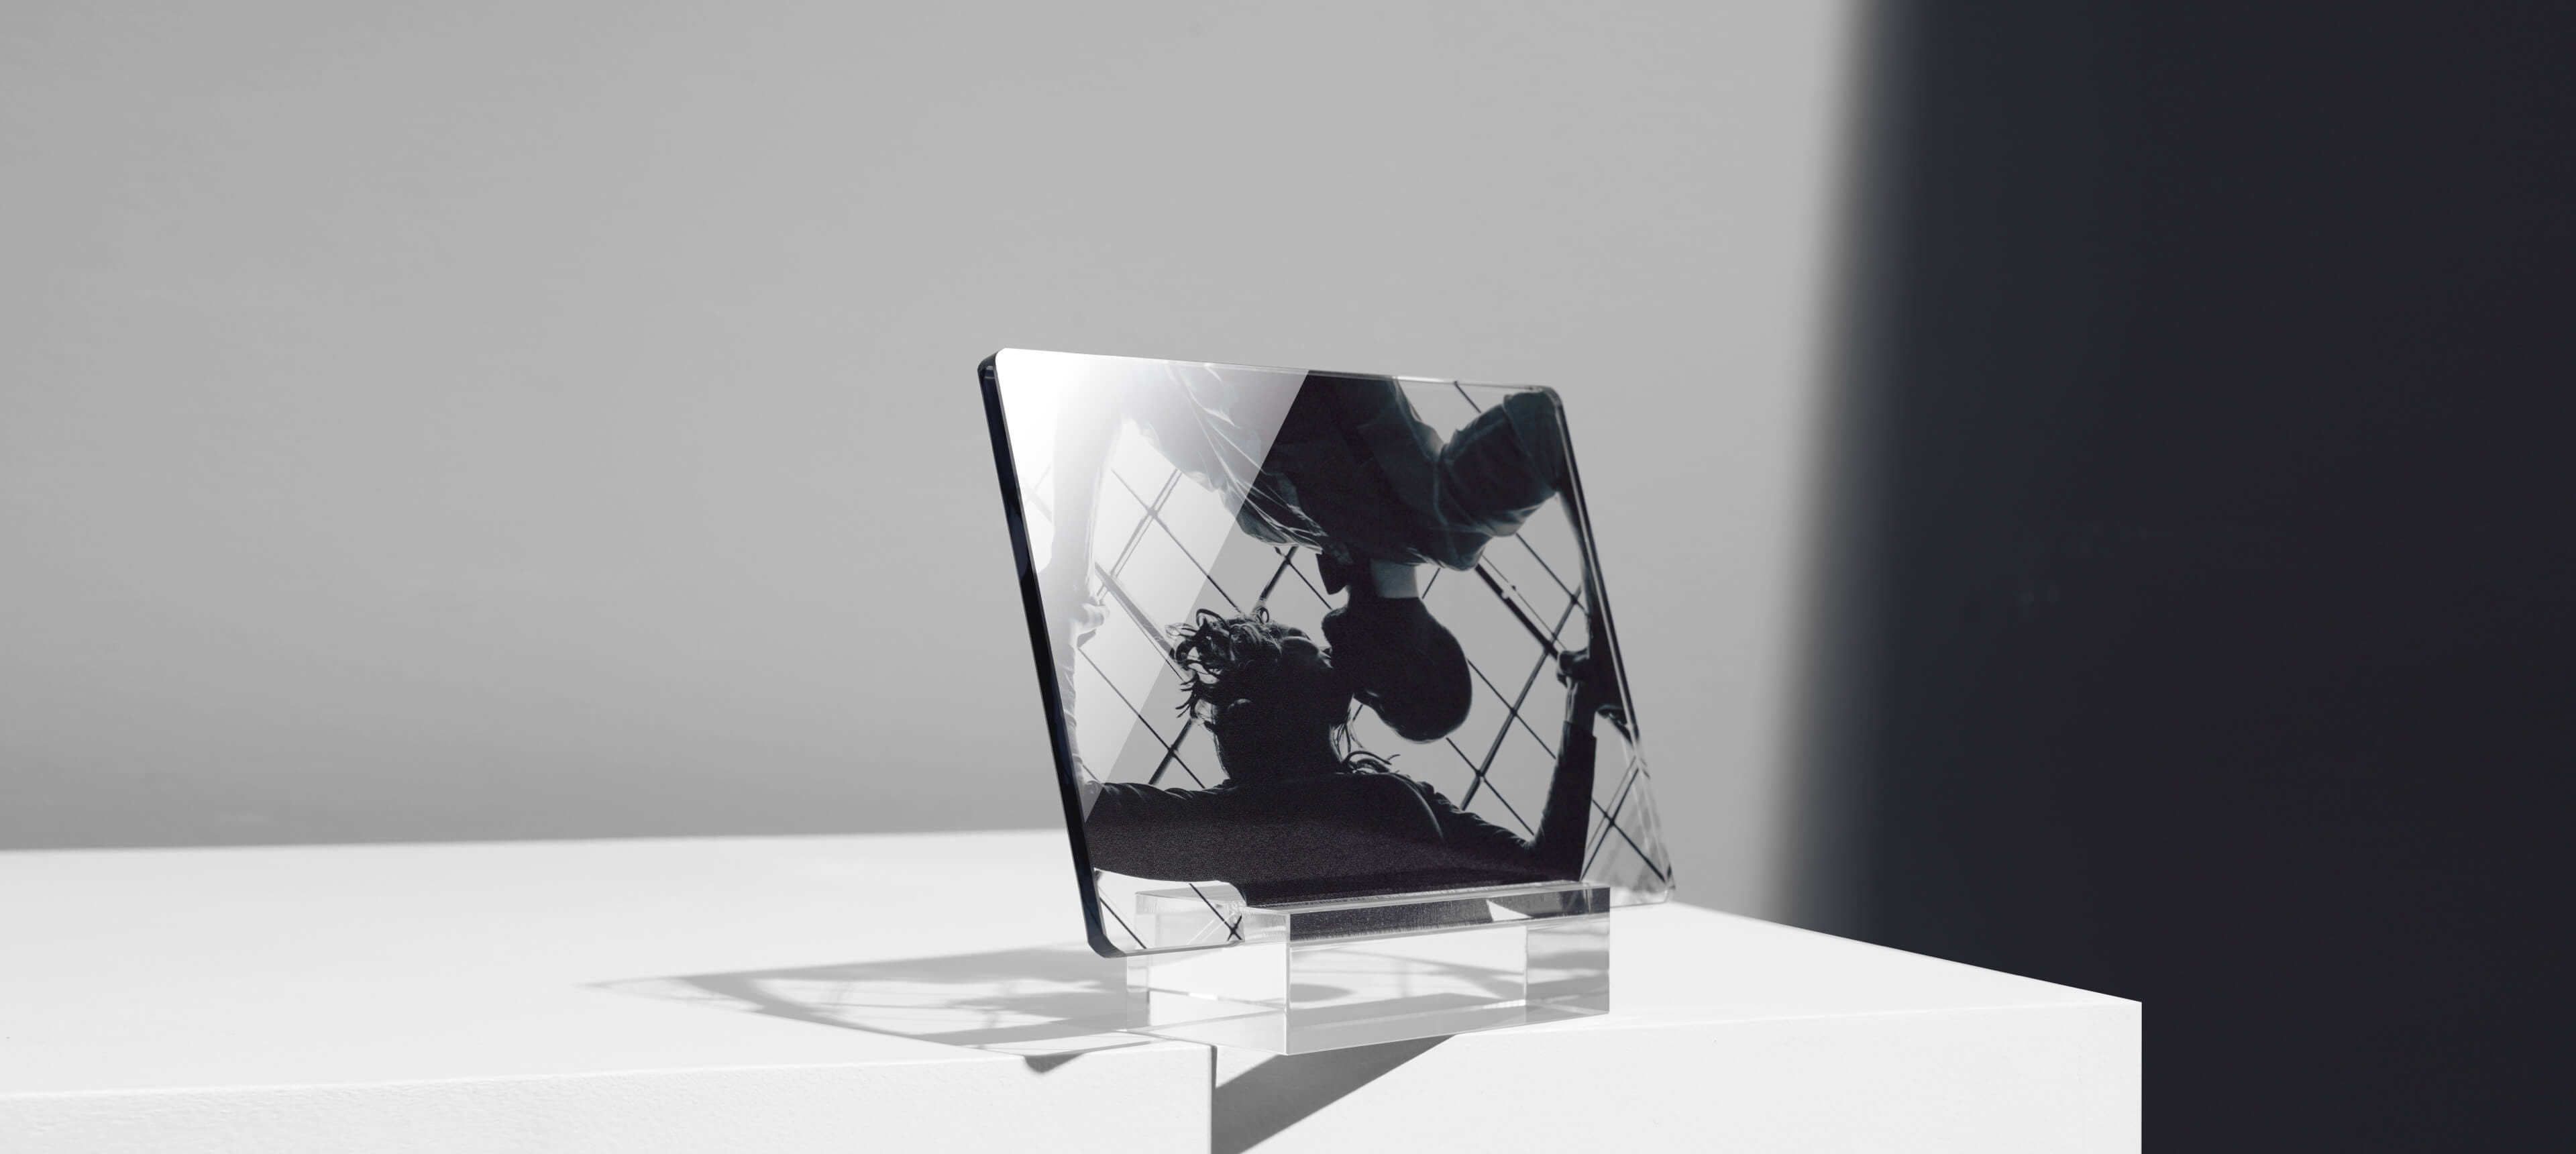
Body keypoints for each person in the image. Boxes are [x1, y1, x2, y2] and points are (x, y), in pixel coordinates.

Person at [1081, 607, 1613, 904]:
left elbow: (1552, 876)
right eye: (1301, 641)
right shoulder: (1250, 813)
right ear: (1274, 679)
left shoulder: (1238, 819)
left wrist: (1582, 702)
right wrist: (1579, 705)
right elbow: (1552, 876)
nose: (1324, 648)